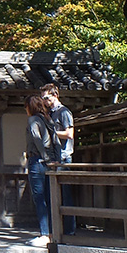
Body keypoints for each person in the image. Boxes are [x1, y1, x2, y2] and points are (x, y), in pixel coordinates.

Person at [24, 94, 60, 248]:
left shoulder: (33, 120)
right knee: (51, 198)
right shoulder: (48, 120)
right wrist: (55, 159)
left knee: (39, 198)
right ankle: (53, 232)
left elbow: (36, 138)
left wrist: (45, 157)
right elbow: (56, 140)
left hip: (37, 160)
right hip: (51, 162)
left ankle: (45, 234)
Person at [41, 83, 76, 236]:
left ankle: (69, 230)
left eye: (47, 98)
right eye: (43, 99)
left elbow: (70, 134)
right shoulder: (52, 113)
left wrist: (52, 132)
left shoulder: (64, 112)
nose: (45, 101)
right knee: (52, 195)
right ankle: (56, 230)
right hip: (54, 159)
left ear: (55, 95)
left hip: (63, 158)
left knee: (65, 196)